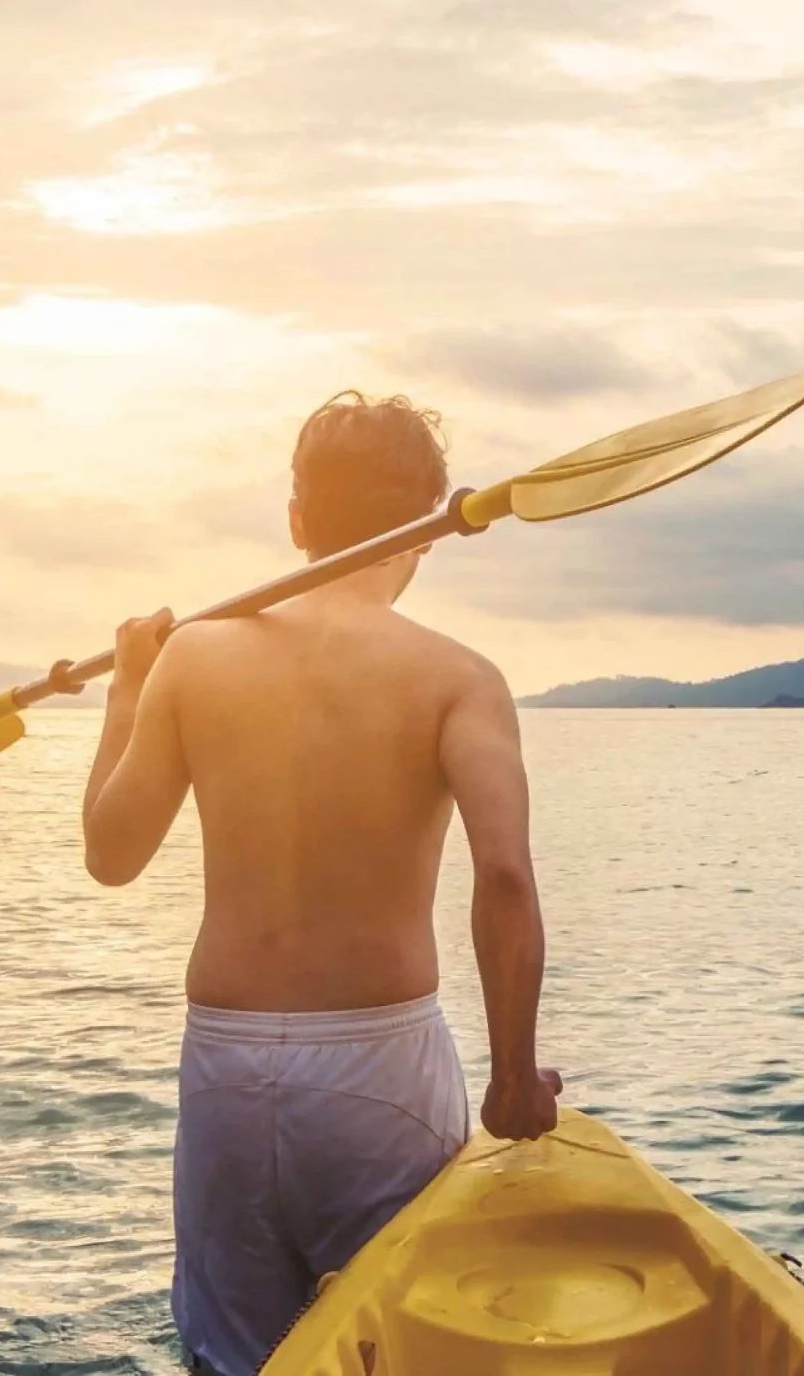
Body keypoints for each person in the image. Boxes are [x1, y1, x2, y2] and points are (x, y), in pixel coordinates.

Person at [79, 391, 560, 1376]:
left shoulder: (191, 658)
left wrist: (128, 686)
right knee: (402, 1345)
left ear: (296, 520)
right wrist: (512, 1074)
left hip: (225, 1061)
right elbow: (503, 876)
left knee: (234, 1357)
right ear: (427, 528)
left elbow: (110, 851)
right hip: (378, 1068)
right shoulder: (457, 676)